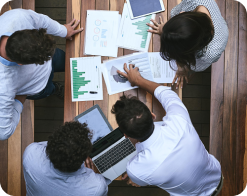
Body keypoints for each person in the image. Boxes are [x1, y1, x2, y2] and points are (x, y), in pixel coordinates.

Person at [111, 63, 223, 196]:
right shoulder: (179, 120)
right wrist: (137, 80)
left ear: (125, 135)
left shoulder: (135, 170)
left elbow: (138, 181)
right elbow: (166, 93)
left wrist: (135, 178)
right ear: (153, 116)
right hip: (216, 176)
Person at [0, 9, 83, 140]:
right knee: (49, 89)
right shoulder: (3, 87)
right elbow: (4, 132)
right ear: (20, 64)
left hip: (53, 60)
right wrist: (20, 97)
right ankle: (55, 89)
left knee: (68, 61)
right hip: (38, 87)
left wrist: (64, 31)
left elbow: (41, 20)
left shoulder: (17, 18)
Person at [147, 0, 228, 88]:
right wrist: (167, 31)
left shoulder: (209, 54)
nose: (180, 12)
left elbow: (192, 64)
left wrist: (183, 69)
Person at [23, 121, 110, 196]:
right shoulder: (96, 188)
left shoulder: (30, 155)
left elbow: (47, 146)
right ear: (83, 158)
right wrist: (91, 172)